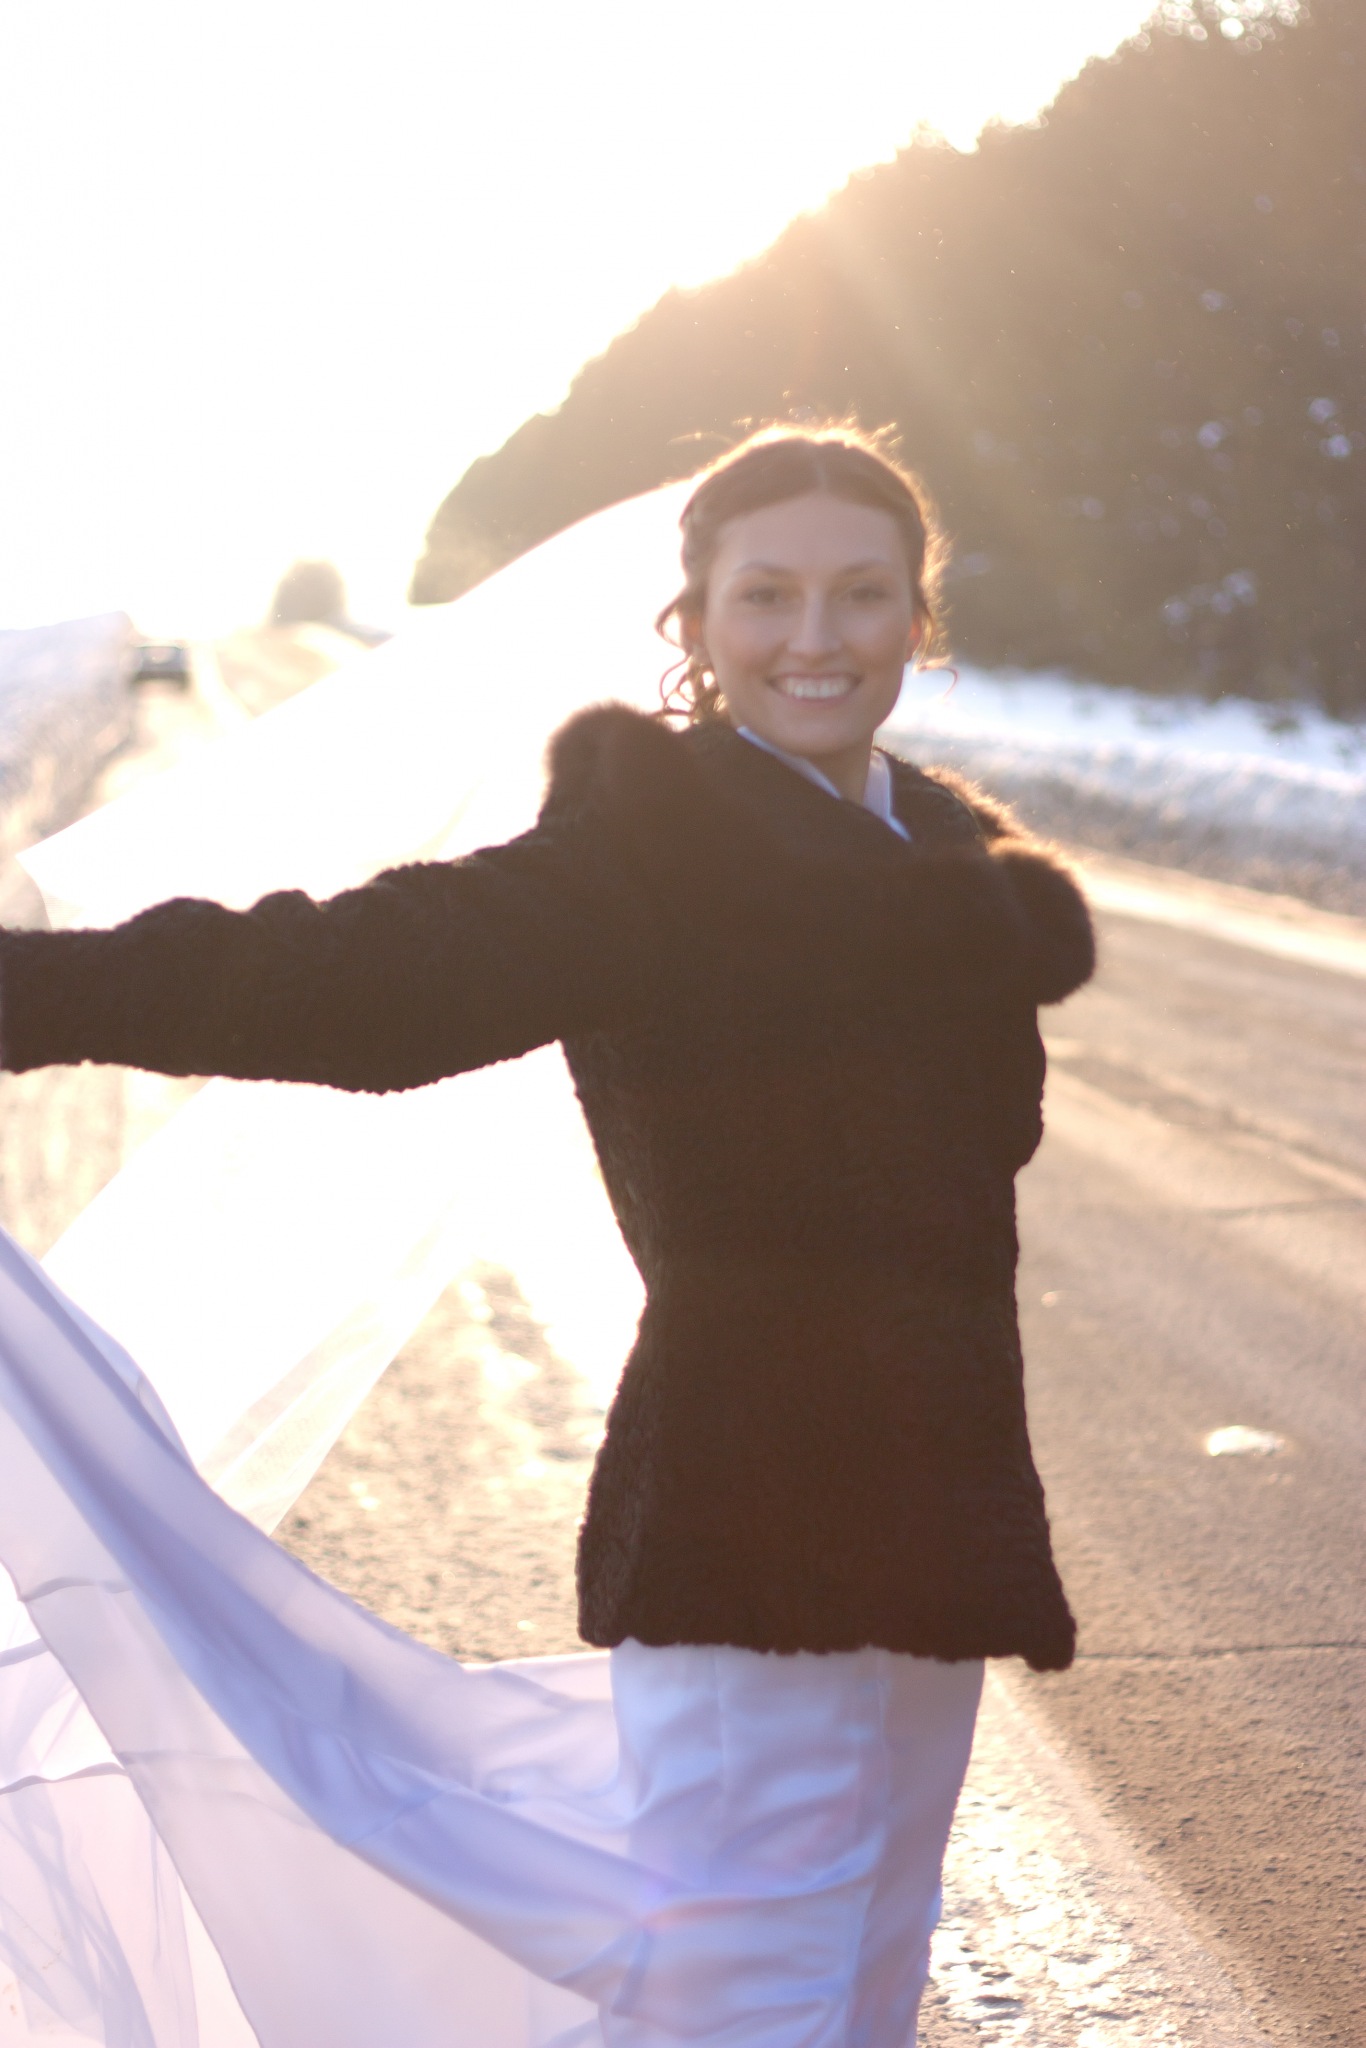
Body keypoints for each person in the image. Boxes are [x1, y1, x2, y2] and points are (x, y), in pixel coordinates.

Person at [0, 425, 1094, 2047]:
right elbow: (357, 979)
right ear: (693, 622)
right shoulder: (652, 856)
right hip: (751, 1516)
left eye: (860, 593)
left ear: (916, 617)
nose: (815, 636)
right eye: (766, 594)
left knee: (870, 1963)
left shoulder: (941, 847)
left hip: (941, 1518)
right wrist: (32, 994)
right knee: (750, 2000)